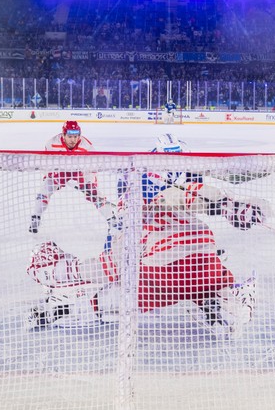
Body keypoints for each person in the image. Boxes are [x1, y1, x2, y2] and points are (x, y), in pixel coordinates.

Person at [25, 133, 260, 336]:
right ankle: (223, 299)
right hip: (184, 249)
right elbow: (184, 196)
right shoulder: (144, 182)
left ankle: (62, 304)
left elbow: (188, 194)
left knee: (116, 293)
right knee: (138, 280)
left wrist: (224, 204)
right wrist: (225, 204)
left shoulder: (169, 181)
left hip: (164, 254)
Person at [30, 121, 110, 233]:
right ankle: (36, 218)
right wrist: (50, 174)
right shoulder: (52, 144)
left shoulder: (87, 146)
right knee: (45, 189)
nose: (73, 140)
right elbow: (46, 164)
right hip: (60, 170)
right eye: (70, 136)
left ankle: (111, 219)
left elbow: (92, 168)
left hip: (80, 171)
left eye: (76, 136)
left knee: (95, 194)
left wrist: (90, 184)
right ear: (63, 135)